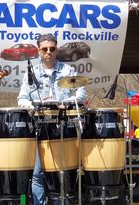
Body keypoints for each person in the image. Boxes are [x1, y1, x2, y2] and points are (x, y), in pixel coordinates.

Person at [17, 33, 87, 205]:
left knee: (63, 171)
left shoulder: (68, 71)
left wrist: (65, 102)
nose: (49, 52)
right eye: (45, 49)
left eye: (52, 48)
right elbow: (22, 99)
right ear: (39, 51)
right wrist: (34, 106)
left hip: (63, 125)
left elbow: (81, 93)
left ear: (56, 50)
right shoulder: (31, 72)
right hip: (40, 127)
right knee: (37, 173)